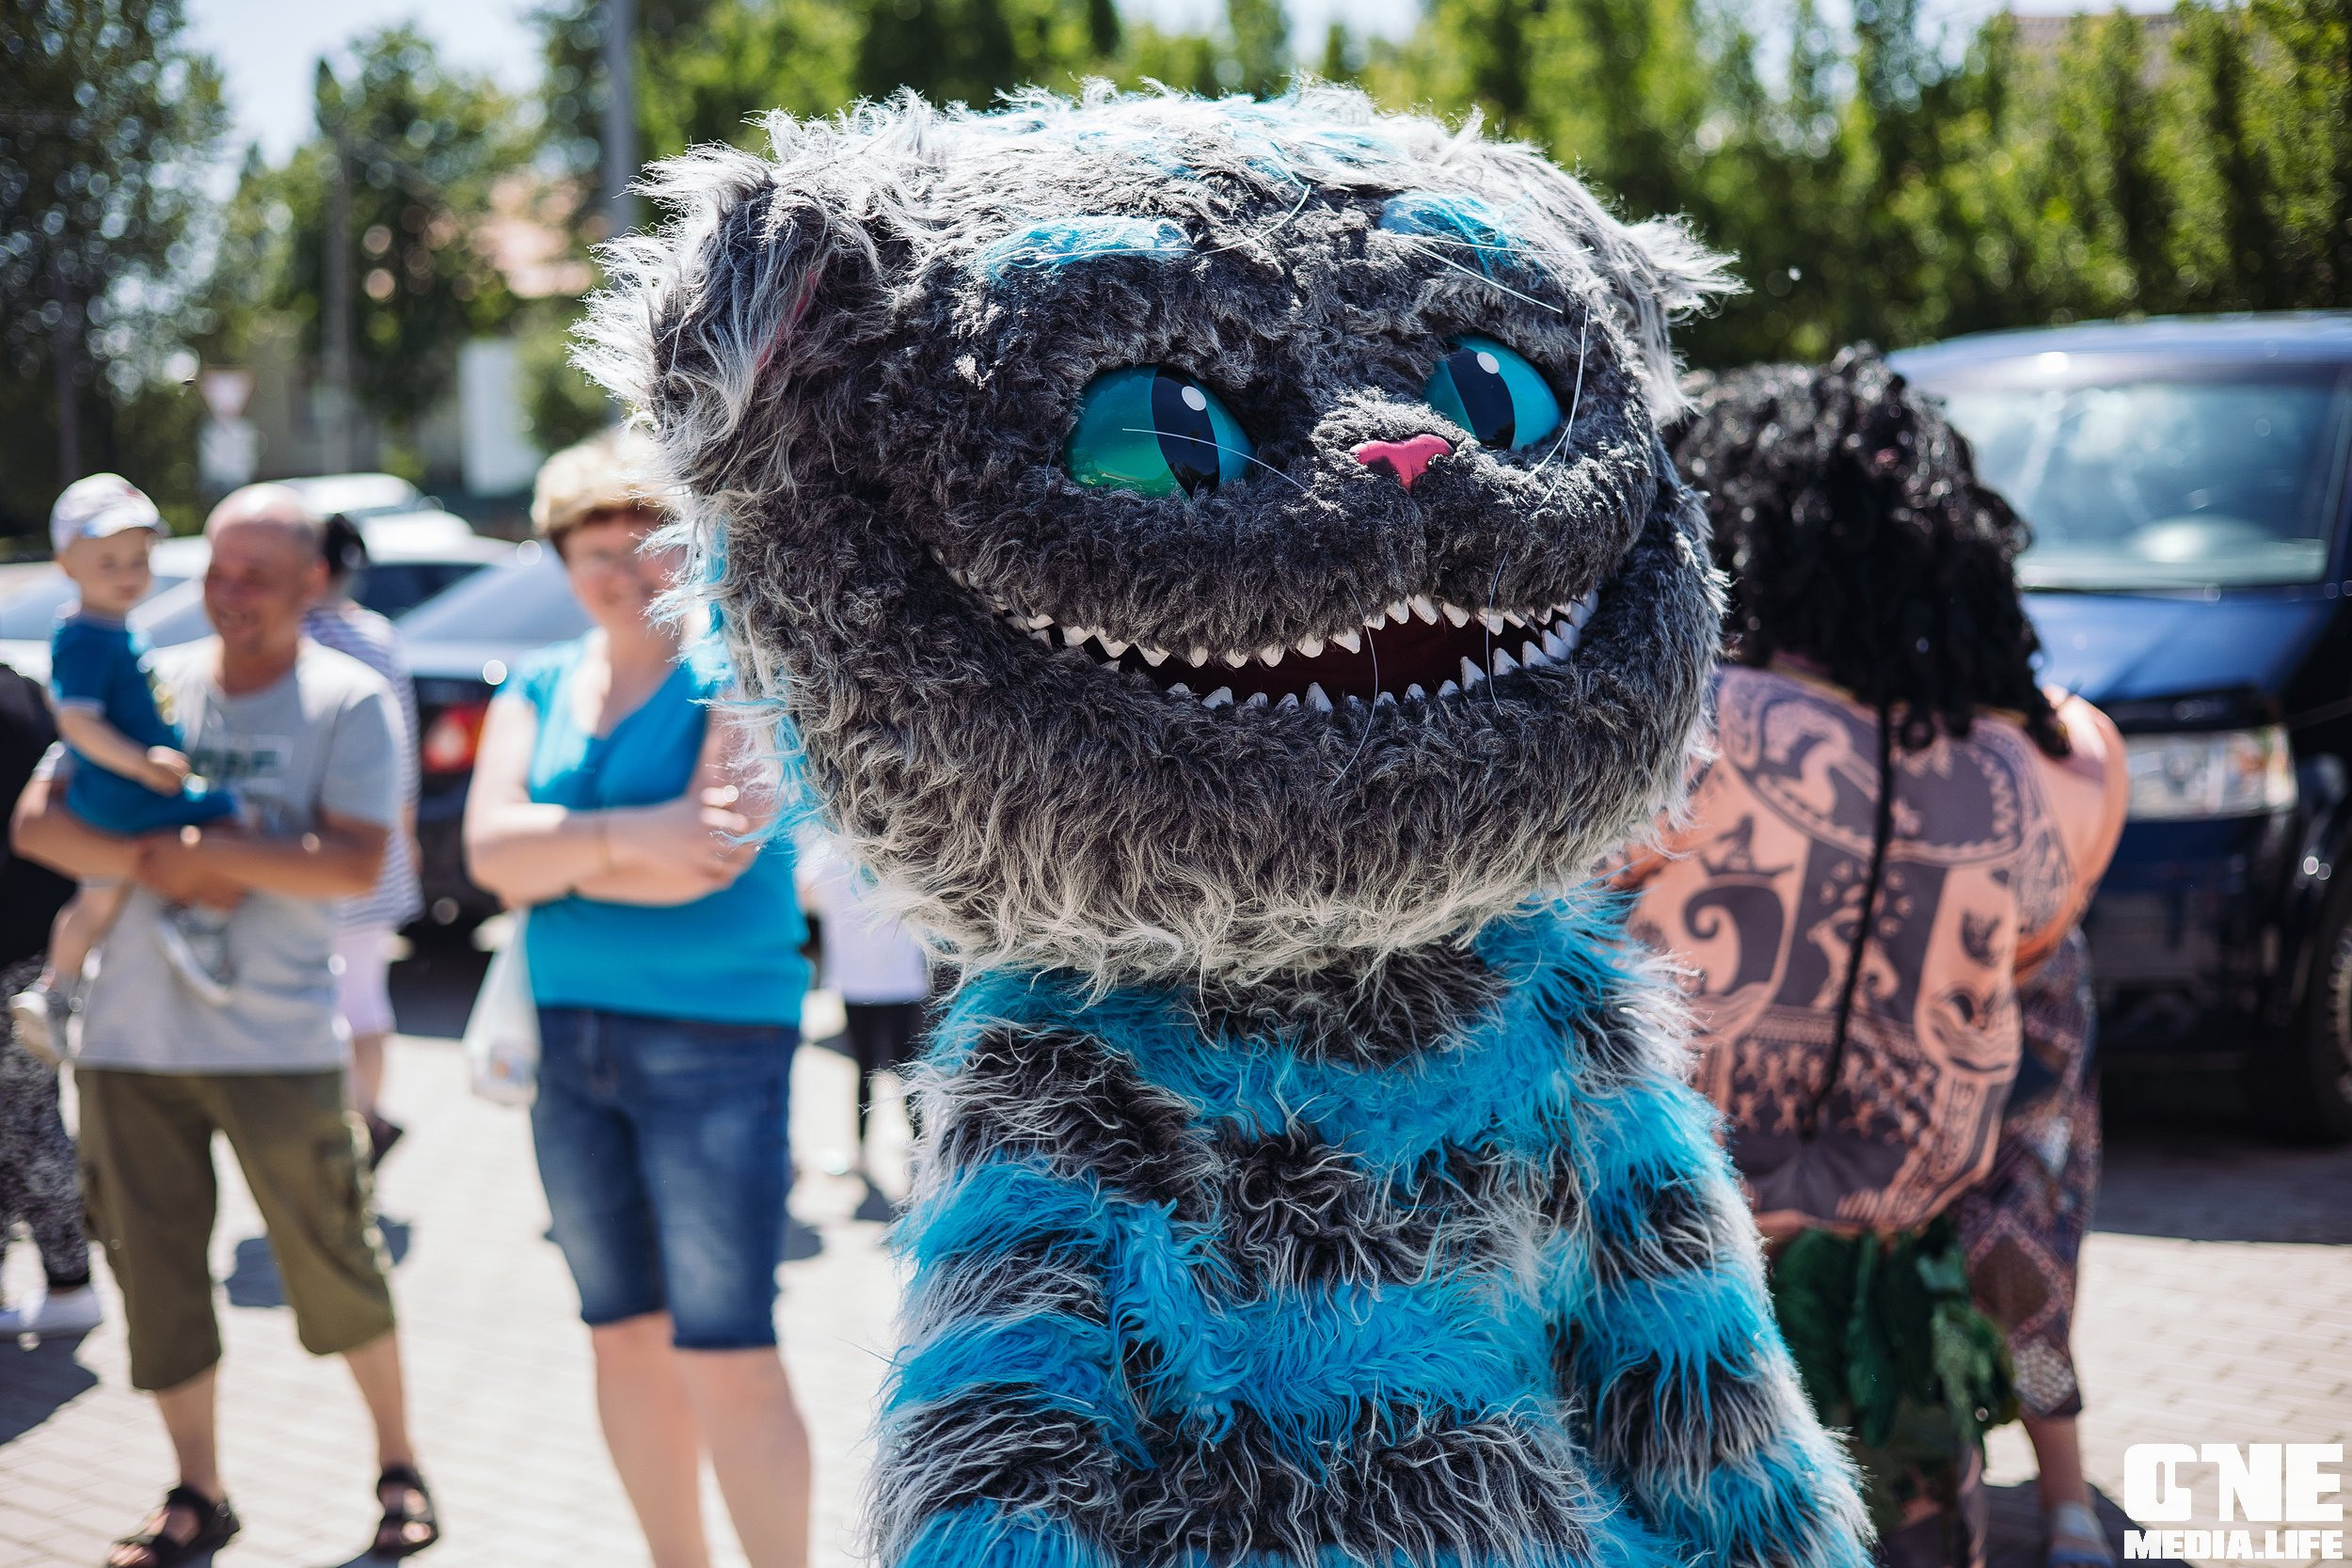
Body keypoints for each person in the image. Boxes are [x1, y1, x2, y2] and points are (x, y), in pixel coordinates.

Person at [1622, 349, 2127, 1568]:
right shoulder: (2047, 780)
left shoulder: (1671, 736)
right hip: (1899, 1345)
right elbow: (2043, 932)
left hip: (1679, 1325)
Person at [10, 483, 440, 1568]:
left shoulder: (347, 699)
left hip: (279, 1047)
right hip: (127, 1047)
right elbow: (37, 825)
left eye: (257, 571)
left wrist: (183, 857)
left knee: (338, 1264)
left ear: (313, 582)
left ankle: (399, 1465)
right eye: (217, 568)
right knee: (156, 1283)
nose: (229, 590)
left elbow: (352, 860)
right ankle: (198, 1490)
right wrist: (182, 857)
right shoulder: (150, 681)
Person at [463, 429, 815, 1568]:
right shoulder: (539, 684)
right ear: (560, 559)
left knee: (726, 1345)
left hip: (717, 1040)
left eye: (645, 539)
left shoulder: (741, 669)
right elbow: (486, 854)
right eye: (591, 546)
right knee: (619, 1335)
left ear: (687, 541)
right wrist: (633, 838)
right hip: (569, 1039)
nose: (622, 568)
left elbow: (712, 854)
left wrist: (559, 850)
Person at [8, 475, 241, 1064]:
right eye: (107, 560)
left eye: (138, 559)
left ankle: (53, 992)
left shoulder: (114, 628)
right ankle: (200, 927)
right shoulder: (87, 637)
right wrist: (142, 764)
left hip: (112, 790)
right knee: (235, 814)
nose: (127, 573)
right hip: (121, 791)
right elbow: (77, 722)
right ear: (67, 562)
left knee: (96, 899)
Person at [1956, 927, 2112, 1567]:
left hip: (2017, 952)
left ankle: (2065, 1494)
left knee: (2016, 1241)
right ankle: (1940, 1488)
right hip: (1863, 948)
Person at [302, 513, 424, 1164]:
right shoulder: (377, 637)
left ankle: (333, 1129)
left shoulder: (288, 636)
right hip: (375, 844)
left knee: (315, 1000)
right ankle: (367, 1118)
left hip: (303, 848)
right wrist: (406, 840)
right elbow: (402, 755)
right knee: (365, 1000)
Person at [0, 659, 96, 1339]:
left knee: (29, 1122)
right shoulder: (27, 689)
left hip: (21, 950)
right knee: (25, 1118)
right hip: (42, 942)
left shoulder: (22, 696)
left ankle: (71, 1280)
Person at [795, 827, 932, 1180]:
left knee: (863, 1070)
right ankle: (919, 1150)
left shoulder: (827, 851)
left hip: (857, 981)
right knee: (908, 1069)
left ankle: (860, 1154)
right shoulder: (902, 845)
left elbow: (803, 894)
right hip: (899, 979)